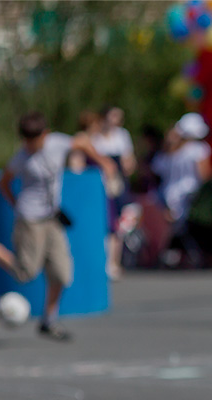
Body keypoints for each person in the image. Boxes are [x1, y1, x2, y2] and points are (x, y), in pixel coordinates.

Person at [0, 111, 117, 341]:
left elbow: (82, 142)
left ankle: (48, 321)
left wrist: (103, 161)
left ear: (44, 134)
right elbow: (4, 182)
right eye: (27, 139)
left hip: (52, 218)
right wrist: (17, 205)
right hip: (30, 220)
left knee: (61, 273)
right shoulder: (21, 158)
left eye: (34, 138)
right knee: (25, 273)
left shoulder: (57, 143)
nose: (30, 144)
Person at [152, 113, 212, 268]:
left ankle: (170, 254)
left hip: (170, 194)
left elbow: (158, 170)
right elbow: (204, 174)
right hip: (190, 194)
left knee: (177, 227)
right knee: (187, 227)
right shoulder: (199, 149)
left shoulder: (173, 151)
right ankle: (190, 253)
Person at [93, 105, 137, 279]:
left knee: (117, 223)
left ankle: (113, 262)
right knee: (102, 222)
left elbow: (128, 161)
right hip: (99, 183)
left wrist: (127, 167)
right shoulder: (95, 137)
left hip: (116, 183)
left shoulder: (122, 135)